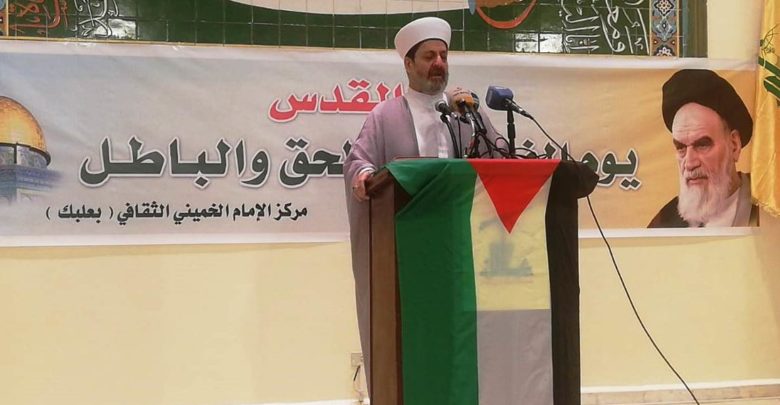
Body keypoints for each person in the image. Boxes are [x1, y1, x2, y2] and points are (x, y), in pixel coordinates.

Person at [343, 16, 501, 385]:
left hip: (463, 246)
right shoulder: (384, 116)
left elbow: (499, 156)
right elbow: (358, 162)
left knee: (460, 333)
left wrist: (478, 123)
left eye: (443, 56)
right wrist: (363, 175)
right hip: (408, 248)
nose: (439, 63)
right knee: (414, 335)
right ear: (409, 64)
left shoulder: (468, 111)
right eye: (429, 56)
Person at [648, 69, 758, 228]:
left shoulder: (769, 206)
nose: (689, 163)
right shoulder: (664, 223)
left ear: (734, 145)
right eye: (681, 148)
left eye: (702, 145)